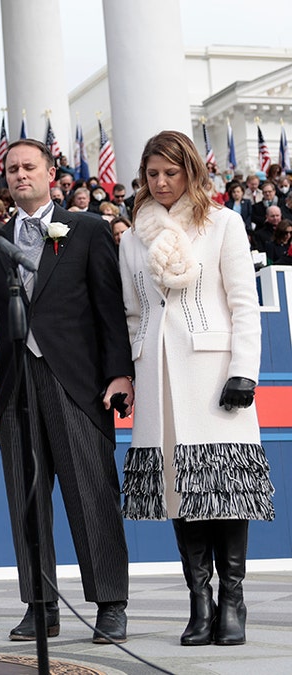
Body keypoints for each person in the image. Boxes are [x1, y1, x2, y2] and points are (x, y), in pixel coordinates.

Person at [0, 138, 133, 643]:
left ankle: (110, 604)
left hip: (77, 385)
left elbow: (109, 310)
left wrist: (119, 373)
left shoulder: (87, 231)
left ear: (51, 173)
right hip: (18, 389)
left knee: (91, 496)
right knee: (28, 501)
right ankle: (40, 604)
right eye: (12, 169)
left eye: (30, 167)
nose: (20, 175)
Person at [118, 130, 275, 647]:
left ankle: (232, 599)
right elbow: (133, 312)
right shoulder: (131, 237)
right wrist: (132, 368)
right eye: (152, 174)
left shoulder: (223, 223)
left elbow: (243, 304)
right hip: (158, 375)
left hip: (214, 374)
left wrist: (244, 371)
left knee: (224, 491)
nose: (161, 183)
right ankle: (199, 601)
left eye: (172, 172)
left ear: (191, 173)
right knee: (179, 492)